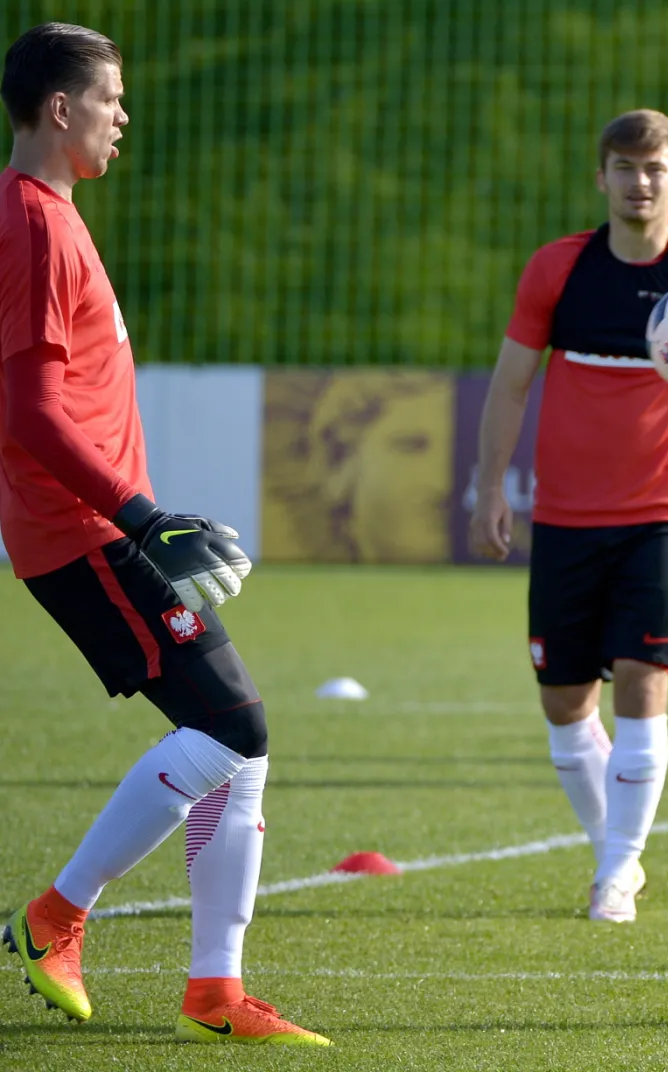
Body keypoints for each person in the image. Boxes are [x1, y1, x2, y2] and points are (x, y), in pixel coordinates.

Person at [0, 24, 328, 1045]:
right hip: (81, 531)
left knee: (243, 747)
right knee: (234, 729)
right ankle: (52, 917)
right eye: (111, 98)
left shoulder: (47, 214)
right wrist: (143, 515)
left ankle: (214, 995)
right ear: (61, 108)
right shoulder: (36, 225)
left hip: (96, 526)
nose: (123, 115)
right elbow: (32, 411)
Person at [469, 109, 668, 924]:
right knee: (565, 707)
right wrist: (490, 487)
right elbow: (509, 385)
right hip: (565, 521)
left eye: (655, 169)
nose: (639, 183)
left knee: (643, 688)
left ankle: (616, 872)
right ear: (600, 177)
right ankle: (619, 851)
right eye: (624, 168)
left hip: (659, 519)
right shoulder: (557, 272)